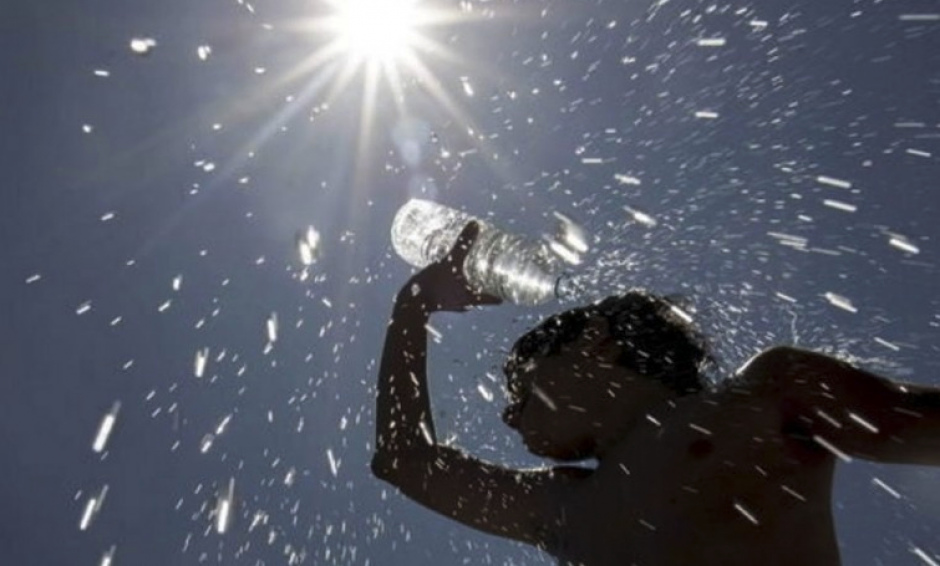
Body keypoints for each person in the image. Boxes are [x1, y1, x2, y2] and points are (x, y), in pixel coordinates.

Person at [372, 222, 940, 566]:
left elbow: (921, 422)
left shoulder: (767, 395)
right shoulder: (567, 506)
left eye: (522, 383)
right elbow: (405, 459)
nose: (507, 413)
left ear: (596, 343)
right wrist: (411, 311)